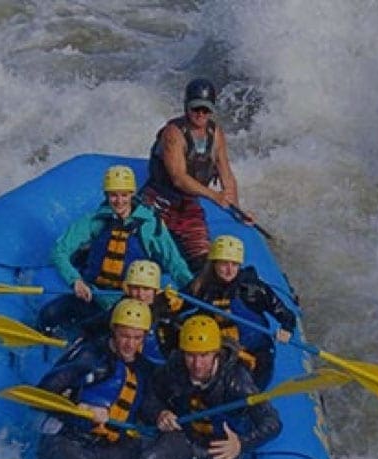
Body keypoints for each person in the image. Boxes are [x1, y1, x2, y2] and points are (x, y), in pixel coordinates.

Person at [133, 315, 282, 459]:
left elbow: (272, 422)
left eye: (204, 356)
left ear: (215, 353)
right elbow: (150, 397)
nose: (197, 364)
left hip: (223, 443)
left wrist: (240, 444)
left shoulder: (236, 381)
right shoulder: (174, 369)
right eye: (190, 356)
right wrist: (160, 413)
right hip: (186, 434)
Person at [40, 165, 193, 334]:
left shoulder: (149, 224)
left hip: (129, 299)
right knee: (48, 315)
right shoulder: (96, 219)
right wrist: (75, 281)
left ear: (132, 194)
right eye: (113, 195)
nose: (119, 201)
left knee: (93, 332)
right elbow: (59, 251)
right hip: (93, 294)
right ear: (106, 195)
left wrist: (192, 289)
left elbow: (174, 262)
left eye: (124, 195)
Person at [35, 298, 154, 459]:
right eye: (124, 336)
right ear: (113, 331)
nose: (130, 344)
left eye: (137, 338)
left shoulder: (143, 368)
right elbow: (43, 392)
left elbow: (150, 405)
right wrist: (79, 409)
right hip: (69, 438)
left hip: (111, 445)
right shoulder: (89, 357)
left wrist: (162, 414)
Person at [141, 78, 250, 271]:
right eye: (196, 109)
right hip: (160, 200)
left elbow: (226, 174)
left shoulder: (215, 133)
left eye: (206, 110)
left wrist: (237, 210)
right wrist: (214, 196)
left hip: (188, 205)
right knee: (149, 248)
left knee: (202, 259)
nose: (200, 114)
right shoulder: (173, 133)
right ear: (186, 107)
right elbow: (178, 178)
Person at [180, 234, 296, 387]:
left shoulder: (253, 288)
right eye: (224, 264)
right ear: (214, 263)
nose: (230, 270)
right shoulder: (201, 284)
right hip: (217, 349)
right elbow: (179, 304)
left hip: (254, 350)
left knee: (249, 383)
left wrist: (287, 328)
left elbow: (286, 315)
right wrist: (170, 303)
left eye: (234, 264)